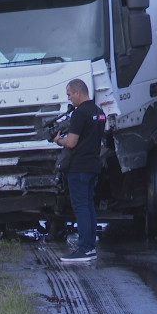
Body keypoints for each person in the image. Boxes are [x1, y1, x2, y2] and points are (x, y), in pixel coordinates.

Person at [53, 79, 105, 262]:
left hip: (79, 167)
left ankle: (84, 248)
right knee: (89, 206)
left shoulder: (79, 113)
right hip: (93, 165)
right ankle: (90, 247)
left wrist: (58, 139)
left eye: (69, 94)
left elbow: (72, 142)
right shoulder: (99, 113)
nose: (69, 98)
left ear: (77, 92)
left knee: (81, 207)